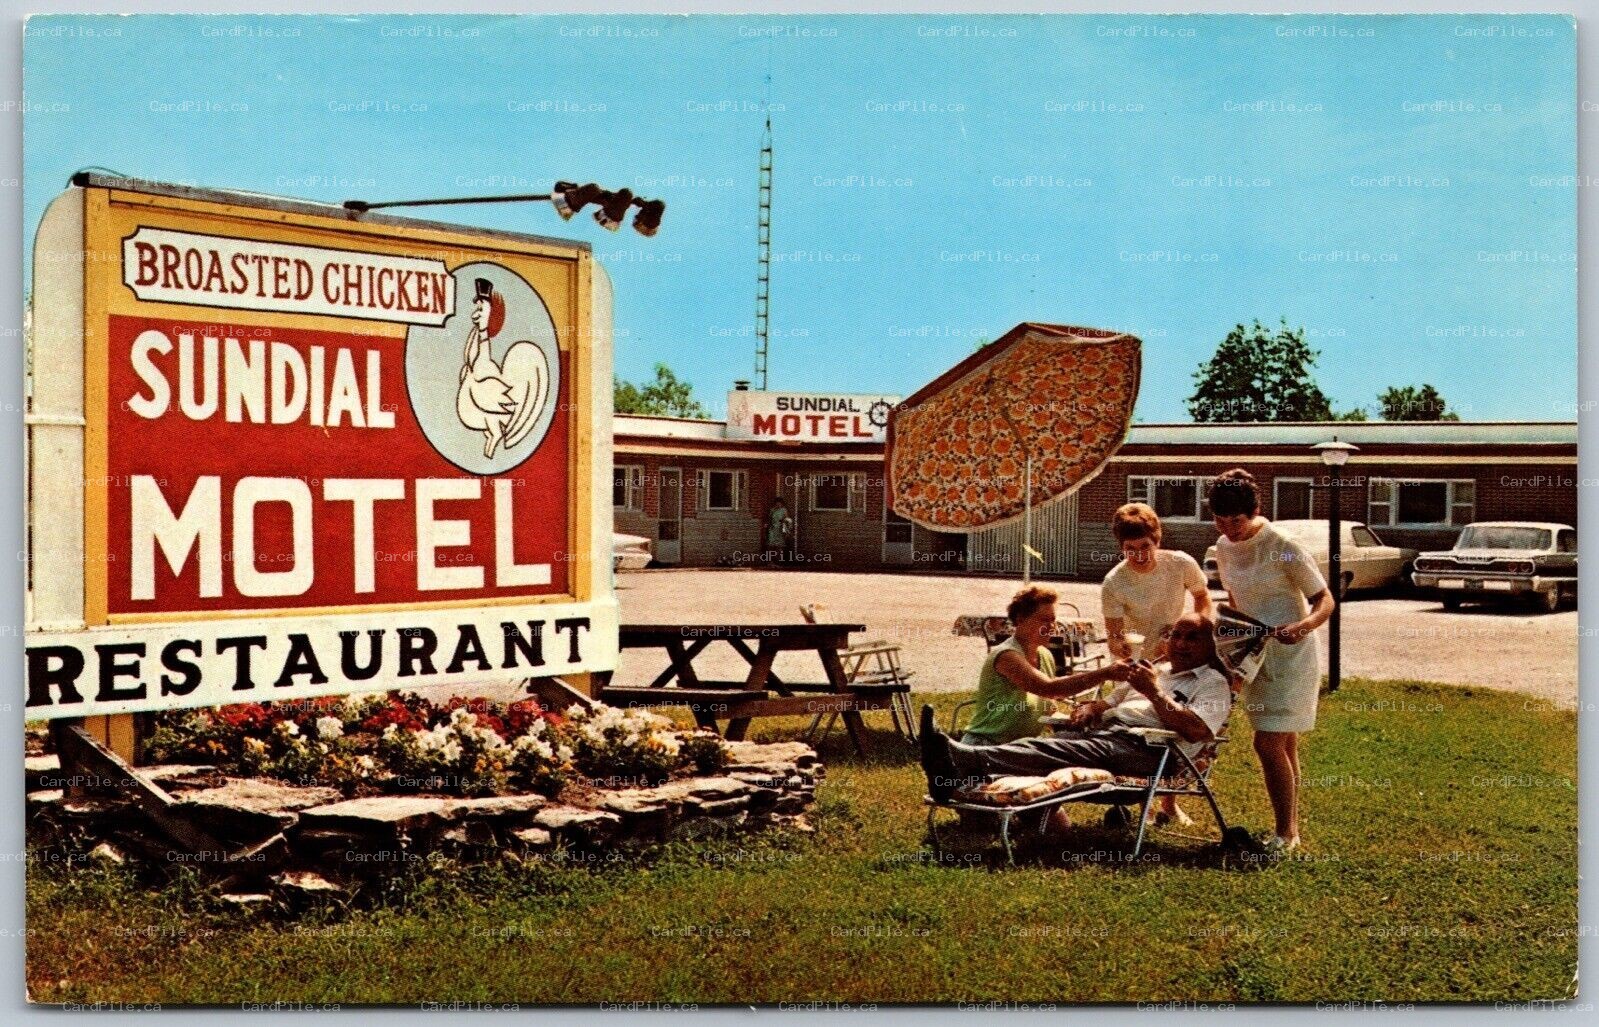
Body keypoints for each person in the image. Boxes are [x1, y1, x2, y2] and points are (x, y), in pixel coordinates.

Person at [919, 615, 1231, 803]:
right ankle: (964, 780)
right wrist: (1091, 709)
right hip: (1110, 735)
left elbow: (1197, 731)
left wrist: (1153, 691)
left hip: (1153, 752)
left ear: (1210, 646)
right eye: (1176, 635)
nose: (1181, 643)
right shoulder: (1156, 670)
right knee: (1046, 745)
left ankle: (965, 759)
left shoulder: (1212, 683)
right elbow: (1107, 703)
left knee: (1058, 751)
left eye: (1192, 638)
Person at [1208, 468, 1334, 854]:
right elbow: (1235, 598)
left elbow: (1324, 599)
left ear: (1255, 512)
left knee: (1268, 743)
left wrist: (1303, 625)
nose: (1229, 529)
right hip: (1252, 653)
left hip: (1292, 654)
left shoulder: (1282, 543)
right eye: (1220, 520)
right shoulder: (1223, 547)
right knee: (1284, 743)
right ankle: (1290, 829)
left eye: (1237, 520)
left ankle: (1285, 834)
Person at [1099, 501, 1213, 825]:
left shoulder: (1180, 563)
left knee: (1175, 723)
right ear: (1121, 547)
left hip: (1177, 658)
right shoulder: (1114, 582)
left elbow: (1203, 597)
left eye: (1145, 547)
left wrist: (1195, 632)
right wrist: (1125, 649)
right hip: (1137, 664)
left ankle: (1169, 803)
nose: (1139, 555)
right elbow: (1113, 637)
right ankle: (1141, 802)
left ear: (1157, 540)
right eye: (1130, 549)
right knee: (1139, 730)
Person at [960, 585, 1128, 746]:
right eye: (1044, 620)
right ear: (1020, 619)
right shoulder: (1007, 655)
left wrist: (1074, 719)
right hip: (986, 745)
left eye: (1053, 620)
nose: (1051, 627)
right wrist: (1105, 673)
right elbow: (1048, 688)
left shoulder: (1045, 656)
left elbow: (1049, 710)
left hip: (1019, 748)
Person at [765, 496, 793, 566]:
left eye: (780, 503)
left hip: (780, 529)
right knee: (771, 545)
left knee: (779, 546)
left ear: (782, 503)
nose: (778, 504)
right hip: (772, 529)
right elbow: (769, 519)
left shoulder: (784, 510)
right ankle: (770, 561)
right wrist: (767, 525)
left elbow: (787, 519)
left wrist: (787, 528)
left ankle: (779, 561)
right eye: (777, 503)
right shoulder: (772, 510)